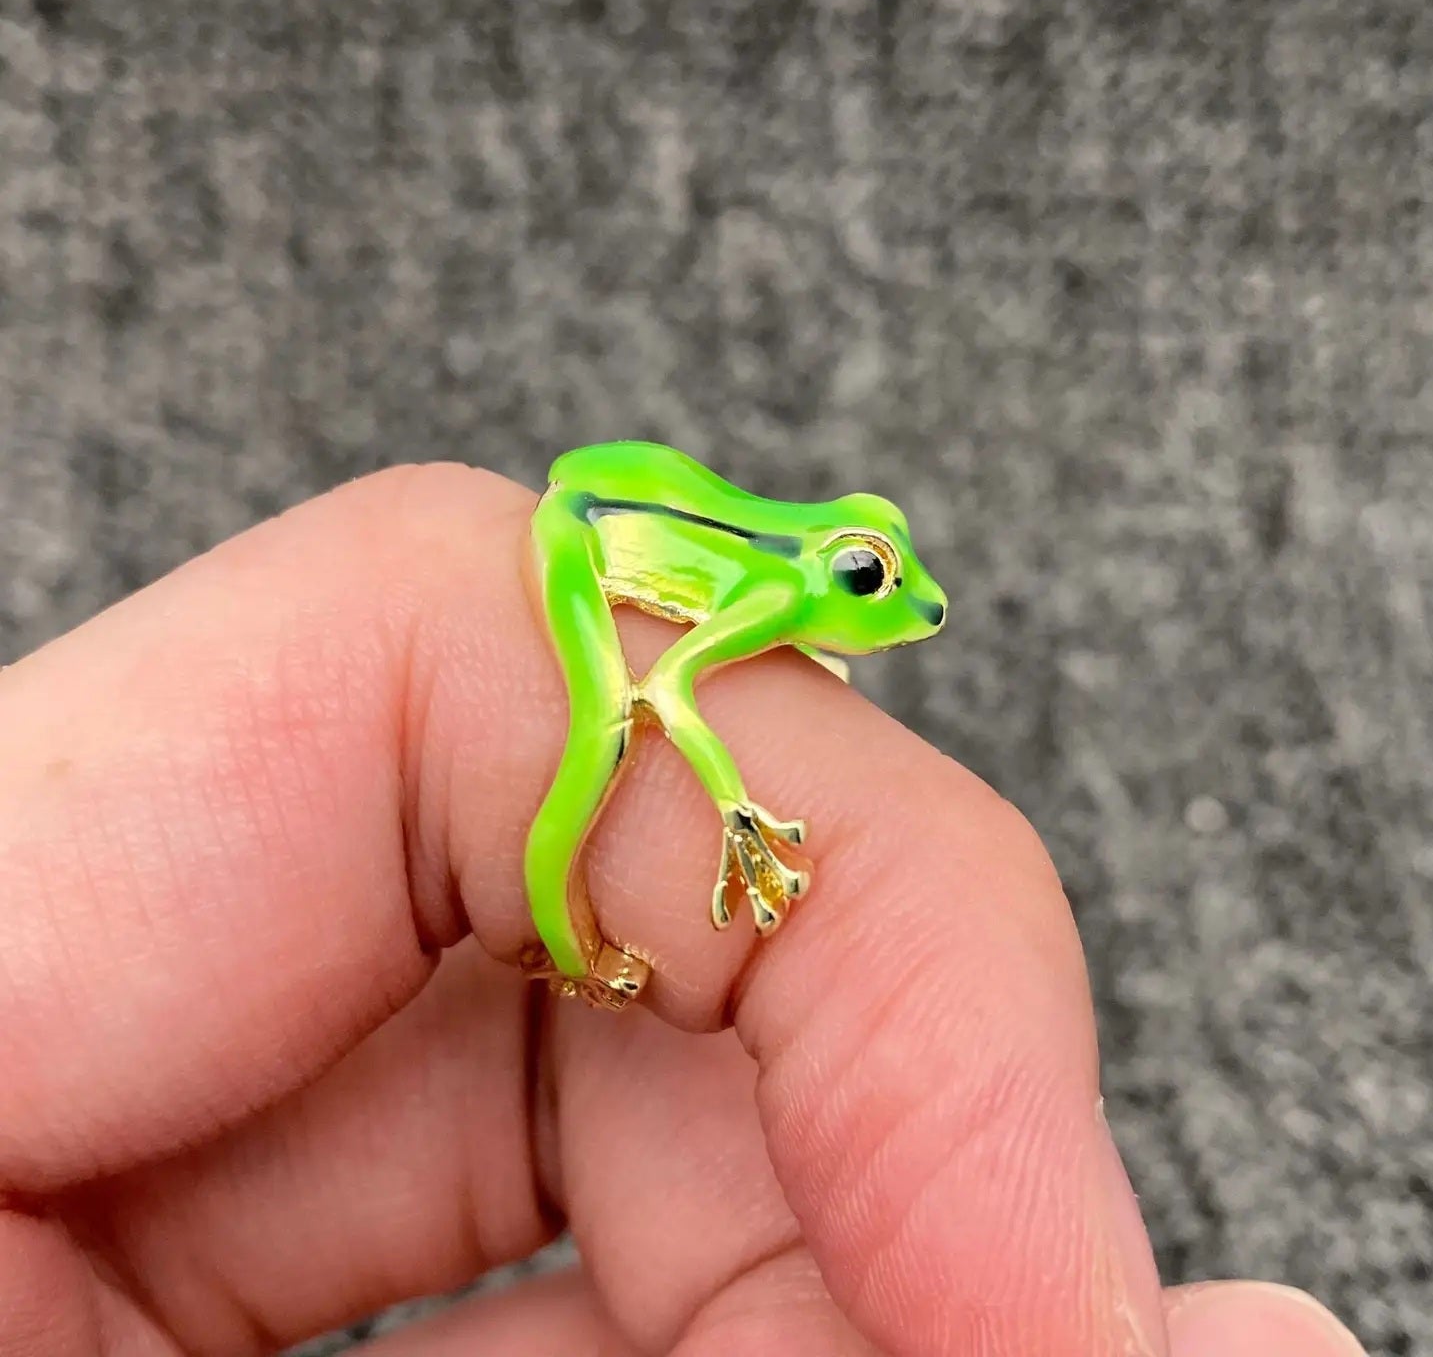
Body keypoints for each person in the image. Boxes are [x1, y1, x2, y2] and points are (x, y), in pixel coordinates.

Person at [0, 465, 1364, 1357]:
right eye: (876, 585)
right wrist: (732, 808)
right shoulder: (771, 592)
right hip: (588, 551)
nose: (916, 604)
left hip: (628, 503)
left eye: (888, 570)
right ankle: (572, 939)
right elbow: (674, 692)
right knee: (596, 730)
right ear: (825, 583)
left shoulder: (794, 590)